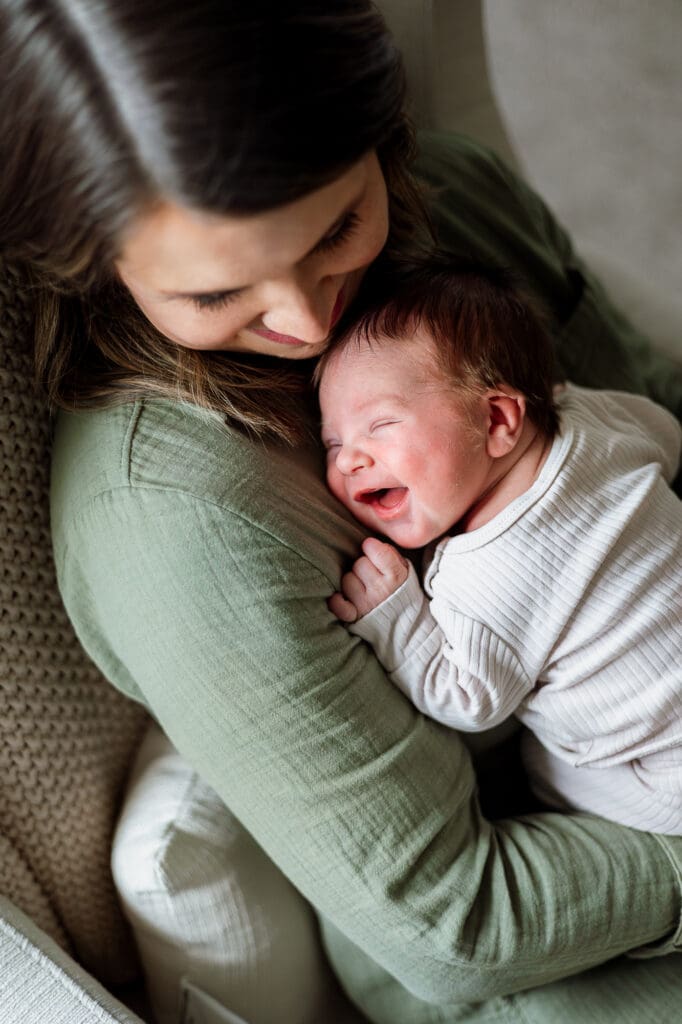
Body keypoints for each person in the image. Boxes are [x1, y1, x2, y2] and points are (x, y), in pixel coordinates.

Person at [2, 2, 682, 1021]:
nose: (309, 317)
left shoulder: (457, 202)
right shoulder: (180, 520)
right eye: (217, 294)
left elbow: (656, 420)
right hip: (574, 944)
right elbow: (460, 923)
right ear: (93, 267)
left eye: (335, 230)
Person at [318, 255, 682, 836]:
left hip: (668, 775)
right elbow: (664, 433)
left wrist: (398, 618)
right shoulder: (592, 417)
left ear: (495, 420)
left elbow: (469, 699)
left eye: (379, 426)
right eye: (332, 443)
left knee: (541, 760)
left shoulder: (485, 576)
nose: (349, 460)